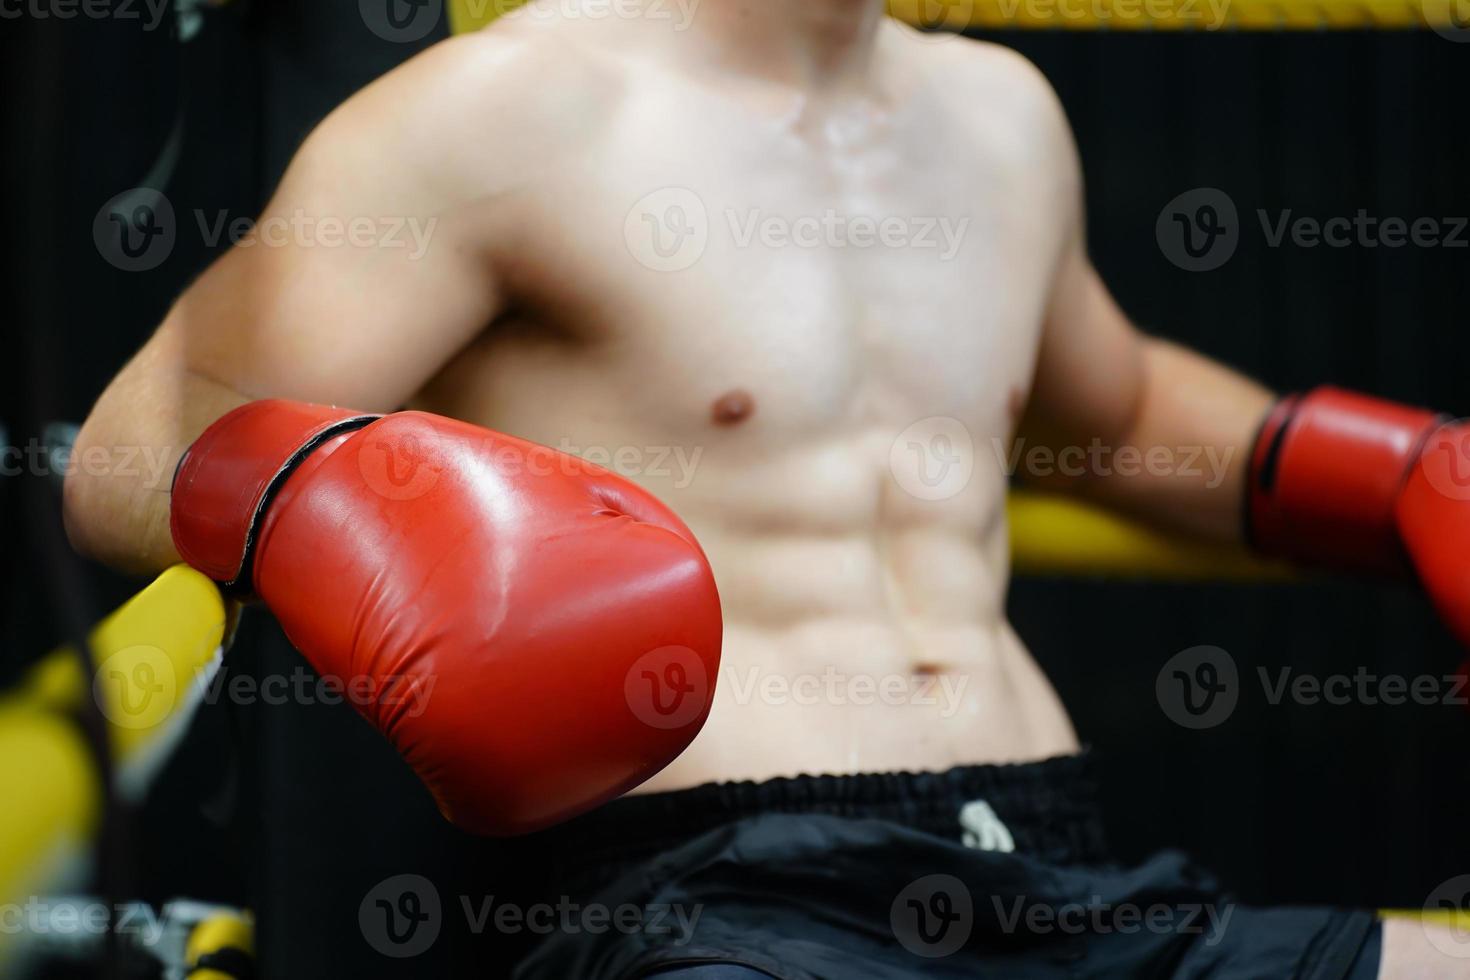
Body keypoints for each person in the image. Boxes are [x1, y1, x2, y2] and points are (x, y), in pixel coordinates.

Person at [62, 1, 1468, 976]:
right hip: (718, 900)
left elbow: (1117, 415)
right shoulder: (509, 112)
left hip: (1063, 872)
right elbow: (137, 446)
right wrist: (337, 503)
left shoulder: (997, 111)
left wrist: (1411, 475)